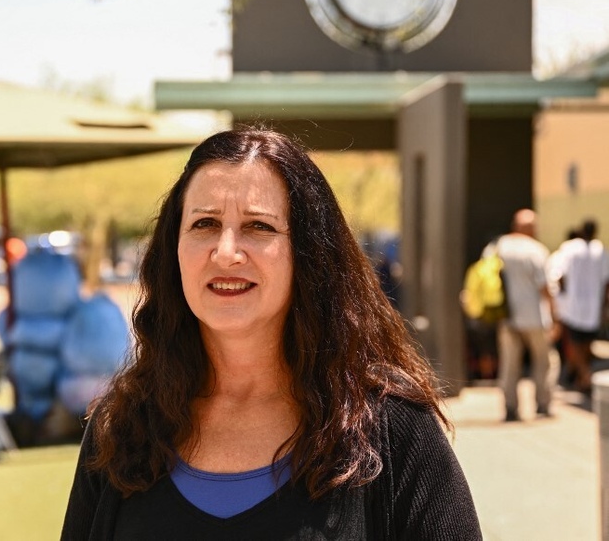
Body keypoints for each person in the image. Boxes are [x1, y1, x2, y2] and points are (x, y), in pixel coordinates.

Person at [61, 127, 480, 540]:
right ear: (174, 248)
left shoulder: (391, 428)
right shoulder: (122, 427)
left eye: (259, 226)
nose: (226, 252)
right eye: (204, 223)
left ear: (309, 254)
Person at [494, 209, 555, 421]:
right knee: (544, 362)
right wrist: (555, 315)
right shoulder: (536, 250)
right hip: (535, 317)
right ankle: (543, 404)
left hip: (507, 315)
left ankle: (510, 408)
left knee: (510, 364)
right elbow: (544, 287)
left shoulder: (498, 247)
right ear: (531, 228)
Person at [547, 219, 609, 394]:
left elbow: (559, 276)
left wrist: (564, 296)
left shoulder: (572, 249)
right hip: (590, 307)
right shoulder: (598, 251)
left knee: (578, 343)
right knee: (583, 343)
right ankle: (582, 375)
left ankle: (583, 375)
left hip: (576, 307)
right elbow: (606, 283)